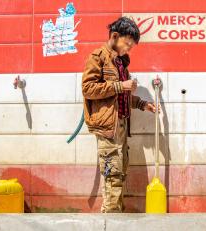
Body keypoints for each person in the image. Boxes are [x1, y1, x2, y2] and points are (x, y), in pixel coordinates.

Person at [81, 16, 160, 213]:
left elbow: (121, 96)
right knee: (112, 178)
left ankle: (117, 219)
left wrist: (142, 104)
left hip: (122, 126)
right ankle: (110, 220)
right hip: (108, 128)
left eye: (131, 46)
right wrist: (120, 85)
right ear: (115, 36)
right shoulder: (97, 57)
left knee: (120, 174)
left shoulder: (122, 64)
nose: (128, 49)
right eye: (127, 43)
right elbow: (88, 88)